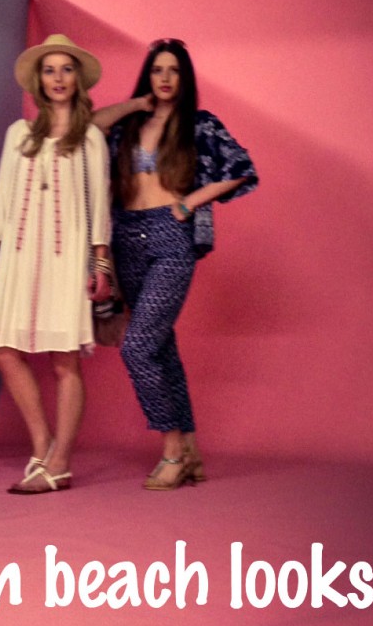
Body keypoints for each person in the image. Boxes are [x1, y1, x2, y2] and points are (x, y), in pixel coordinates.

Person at [93, 38, 257, 490]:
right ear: (148, 76)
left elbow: (241, 167)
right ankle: (191, 451)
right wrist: (135, 104)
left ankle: (171, 453)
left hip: (171, 236)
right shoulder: (129, 125)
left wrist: (188, 203)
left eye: (174, 70)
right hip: (126, 236)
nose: (165, 78)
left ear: (185, 78)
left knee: (137, 347)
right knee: (162, 349)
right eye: (157, 70)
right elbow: (90, 126)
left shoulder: (199, 124)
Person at [0, 34, 112, 494]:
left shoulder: (90, 138)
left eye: (66, 69)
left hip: (66, 257)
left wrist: (100, 265)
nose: (58, 78)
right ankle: (43, 449)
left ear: (77, 80)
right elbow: (2, 196)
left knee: (64, 361)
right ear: (39, 79)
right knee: (3, 351)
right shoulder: (19, 133)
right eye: (50, 70)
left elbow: (99, 206)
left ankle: (61, 463)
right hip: (19, 255)